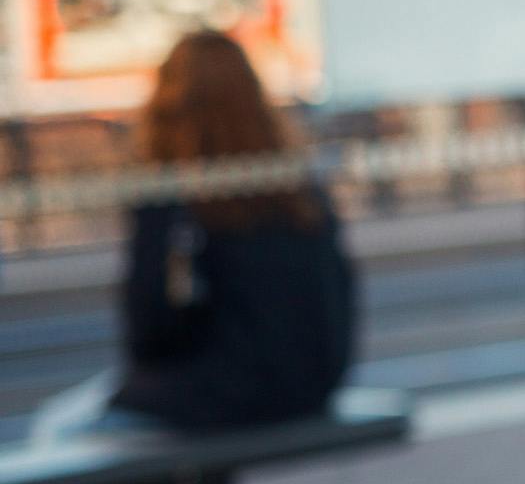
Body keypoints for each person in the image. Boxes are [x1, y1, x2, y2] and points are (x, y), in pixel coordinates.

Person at [31, 30, 356, 442]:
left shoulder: (171, 196)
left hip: (223, 393)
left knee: (59, 427)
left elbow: (149, 331)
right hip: (313, 386)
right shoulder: (295, 187)